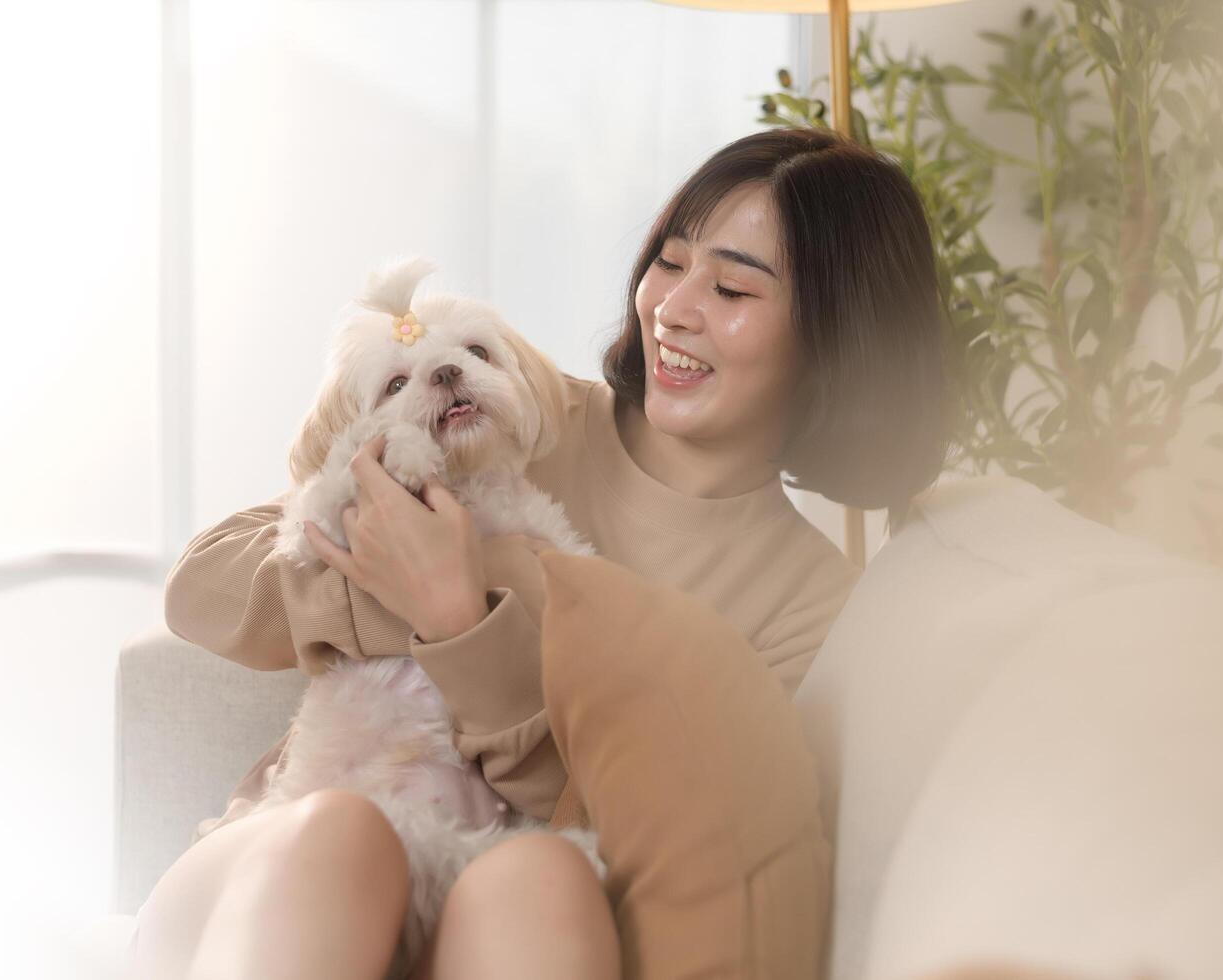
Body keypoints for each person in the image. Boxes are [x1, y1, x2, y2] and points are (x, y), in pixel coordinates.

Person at [131, 127, 949, 980]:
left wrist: (463, 624)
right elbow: (202, 587)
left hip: (500, 901)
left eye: (733, 286)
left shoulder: (811, 606)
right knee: (343, 834)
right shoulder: (512, 408)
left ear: (835, 337)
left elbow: (660, 830)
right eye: (669, 264)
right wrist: (398, 588)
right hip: (286, 875)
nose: (673, 308)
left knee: (544, 876)